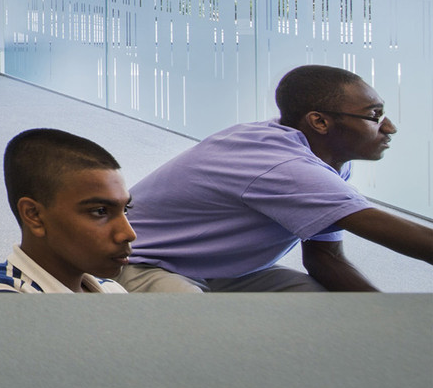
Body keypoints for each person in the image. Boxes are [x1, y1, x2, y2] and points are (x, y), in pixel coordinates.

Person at [117, 64, 433, 292]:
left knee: (325, 307)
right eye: (374, 116)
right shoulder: (285, 166)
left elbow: (325, 259)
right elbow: (404, 237)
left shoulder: (323, 159)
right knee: (201, 331)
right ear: (320, 122)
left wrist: (392, 320)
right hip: (142, 263)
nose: (389, 127)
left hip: (221, 271)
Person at [0, 129, 132, 293]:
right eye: (100, 211)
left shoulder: (112, 289)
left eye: (125, 209)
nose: (128, 233)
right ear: (34, 215)